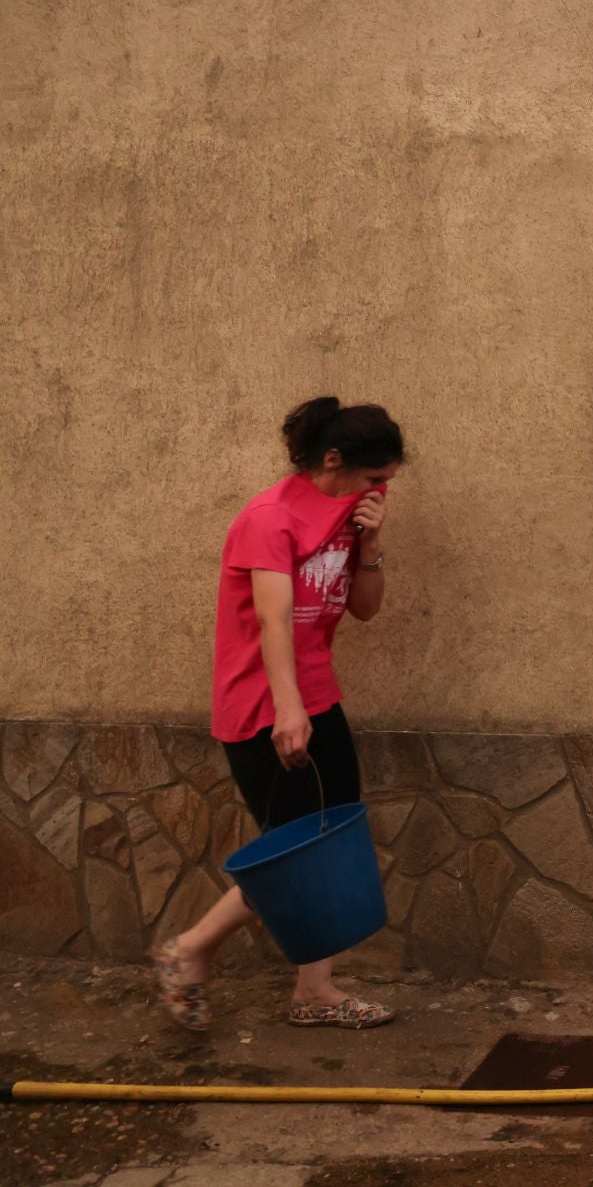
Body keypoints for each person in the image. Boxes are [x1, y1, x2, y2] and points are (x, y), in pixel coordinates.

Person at [150, 397, 406, 1032]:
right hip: (262, 704)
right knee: (293, 856)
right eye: (375, 478)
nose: (379, 490)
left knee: (329, 844)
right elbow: (273, 619)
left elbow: (365, 608)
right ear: (333, 459)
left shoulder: (353, 514)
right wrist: (286, 711)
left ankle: (313, 991)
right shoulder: (270, 517)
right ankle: (190, 950)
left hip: (318, 694)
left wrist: (371, 542)